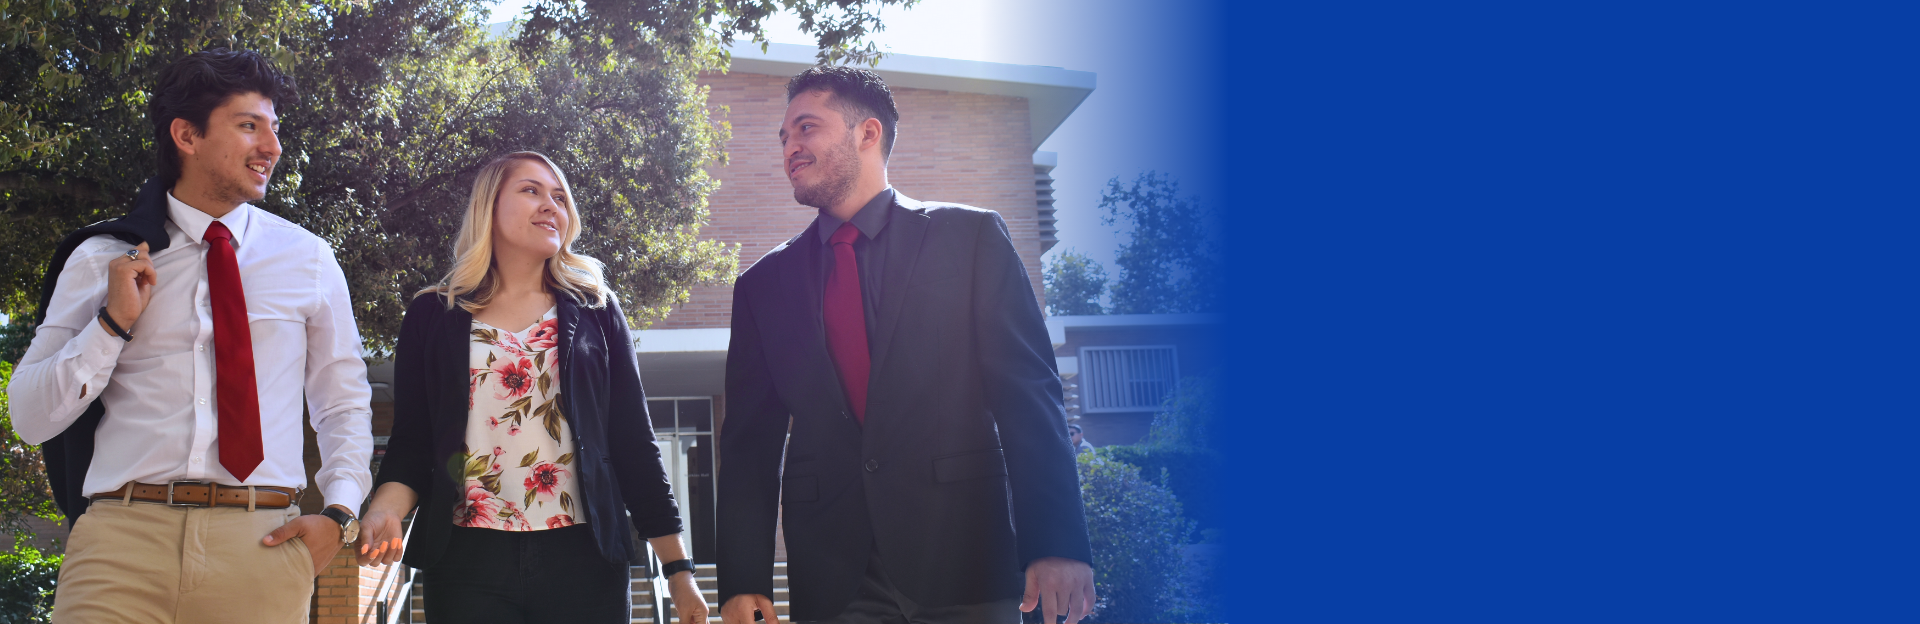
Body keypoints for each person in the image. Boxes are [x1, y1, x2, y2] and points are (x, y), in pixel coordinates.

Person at [717, 67, 1096, 624]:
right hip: (834, 573)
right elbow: (749, 443)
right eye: (784, 138)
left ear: (867, 134)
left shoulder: (970, 240)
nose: (790, 148)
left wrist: (1057, 540)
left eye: (805, 128)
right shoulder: (762, 285)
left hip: (965, 556)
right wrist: (743, 579)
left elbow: (1029, 395)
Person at [5, 49, 372, 622]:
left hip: (261, 547)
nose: (271, 147)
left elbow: (343, 403)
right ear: (186, 135)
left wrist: (341, 515)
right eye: (249, 125)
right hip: (121, 544)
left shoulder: (311, 260)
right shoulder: (103, 257)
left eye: (273, 128)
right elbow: (29, 416)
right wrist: (111, 325)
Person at [355, 151, 707, 624]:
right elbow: (414, 443)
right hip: (466, 563)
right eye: (531, 190)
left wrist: (679, 571)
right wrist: (383, 509)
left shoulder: (596, 311)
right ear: (489, 208)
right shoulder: (432, 314)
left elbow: (633, 444)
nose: (550, 205)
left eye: (559, 197)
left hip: (585, 560)